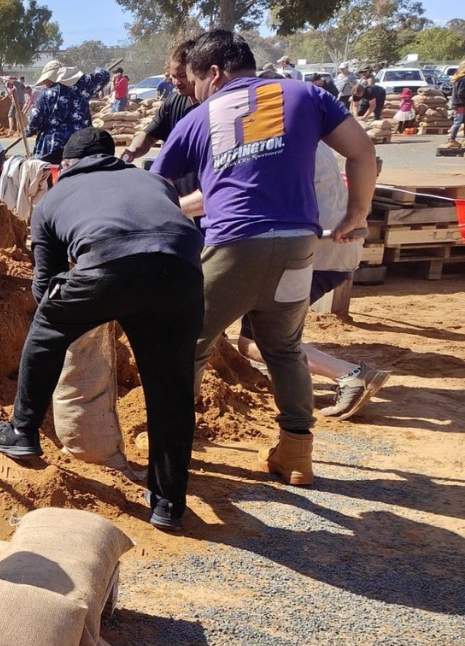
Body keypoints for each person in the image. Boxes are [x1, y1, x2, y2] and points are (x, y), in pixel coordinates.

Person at [151, 29, 377, 487]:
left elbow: (154, 188)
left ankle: (173, 449)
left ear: (213, 74)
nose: (192, 92)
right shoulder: (308, 94)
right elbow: (364, 152)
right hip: (299, 245)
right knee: (284, 348)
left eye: (193, 82)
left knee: (188, 342)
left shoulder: (199, 118)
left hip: (235, 244)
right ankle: (295, 455)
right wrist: (356, 214)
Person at [0, 128, 204, 530]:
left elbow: (43, 287)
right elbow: (158, 231)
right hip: (181, 275)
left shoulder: (52, 199)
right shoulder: (153, 180)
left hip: (106, 265)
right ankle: (169, 502)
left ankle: (22, 431)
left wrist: (84, 306)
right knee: (171, 387)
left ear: (65, 167)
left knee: (47, 327)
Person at [237, 142, 388, 420]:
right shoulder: (305, 136)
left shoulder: (279, 145)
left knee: (259, 340)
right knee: (262, 336)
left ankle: (352, 375)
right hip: (323, 251)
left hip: (314, 256)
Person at [120, 40, 198, 165]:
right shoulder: (173, 101)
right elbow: (149, 135)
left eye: (182, 75)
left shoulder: (214, 105)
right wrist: (131, 151)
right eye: (173, 76)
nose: (176, 82)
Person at [27, 59, 112, 163]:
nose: (45, 84)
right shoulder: (83, 88)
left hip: (53, 147)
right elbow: (104, 75)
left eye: (46, 81)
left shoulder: (45, 96)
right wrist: (83, 78)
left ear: (50, 79)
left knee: (49, 174)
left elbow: (34, 122)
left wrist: (28, 131)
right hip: (81, 143)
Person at [447, 63, 465, 145]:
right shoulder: (463, 79)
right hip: (460, 105)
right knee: (458, 121)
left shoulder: (458, 78)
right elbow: (461, 93)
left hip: (459, 104)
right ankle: (452, 139)